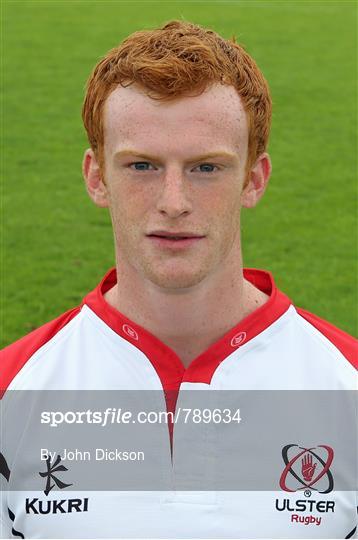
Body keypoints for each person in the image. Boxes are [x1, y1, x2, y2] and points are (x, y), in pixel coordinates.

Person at [0, 20, 357, 540]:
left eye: (206, 168)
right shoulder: (13, 393)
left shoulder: (346, 388)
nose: (174, 201)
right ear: (96, 176)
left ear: (253, 179)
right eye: (141, 165)